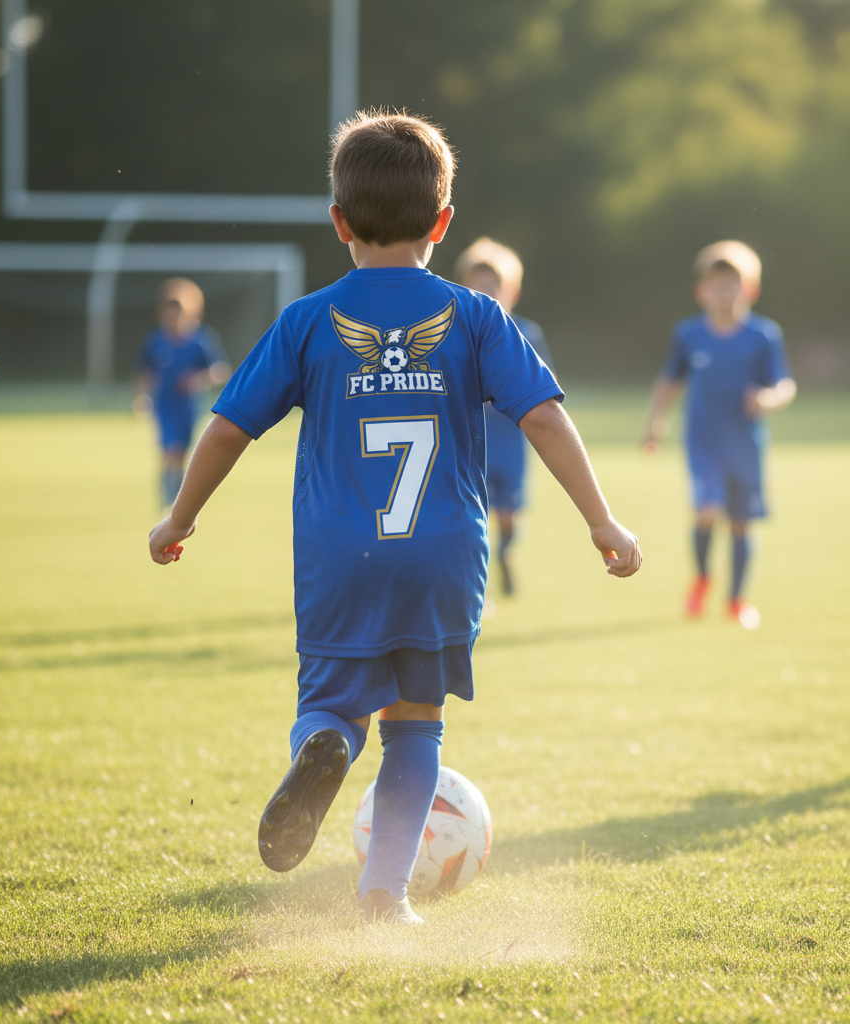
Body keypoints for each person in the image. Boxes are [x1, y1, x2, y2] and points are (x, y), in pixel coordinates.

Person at [148, 111, 642, 924]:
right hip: (445, 556)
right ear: (444, 223)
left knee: (334, 702)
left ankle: (329, 741)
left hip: (341, 557)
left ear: (338, 222)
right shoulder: (479, 317)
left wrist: (180, 516)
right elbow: (545, 418)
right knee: (416, 730)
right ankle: (385, 894)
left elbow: (229, 426)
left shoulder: (307, 321)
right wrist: (601, 520)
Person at [642, 240, 795, 629]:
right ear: (701, 291)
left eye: (732, 285)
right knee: (708, 510)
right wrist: (655, 423)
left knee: (742, 523)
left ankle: (737, 600)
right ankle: (703, 578)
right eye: (716, 285)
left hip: (746, 445)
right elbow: (669, 383)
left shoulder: (763, 336)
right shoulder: (689, 335)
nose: (724, 293)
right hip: (703, 442)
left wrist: (767, 398)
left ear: (750, 290)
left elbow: (784, 385)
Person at [454, 238, 556, 595]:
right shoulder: (456, 333)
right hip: (472, 440)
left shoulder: (526, 334)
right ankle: (477, 585)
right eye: (478, 287)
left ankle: (507, 554)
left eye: (494, 287)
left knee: (511, 511)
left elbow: (544, 386)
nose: (487, 294)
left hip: (512, 439)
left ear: (512, 290)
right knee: (476, 516)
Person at [134, 278, 231, 512]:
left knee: (183, 454)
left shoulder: (200, 341)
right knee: (171, 452)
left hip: (190, 406)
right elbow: (145, 372)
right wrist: (141, 397)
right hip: (165, 405)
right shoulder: (156, 341)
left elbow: (220, 371)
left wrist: (197, 379)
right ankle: (169, 503)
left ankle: (176, 498)